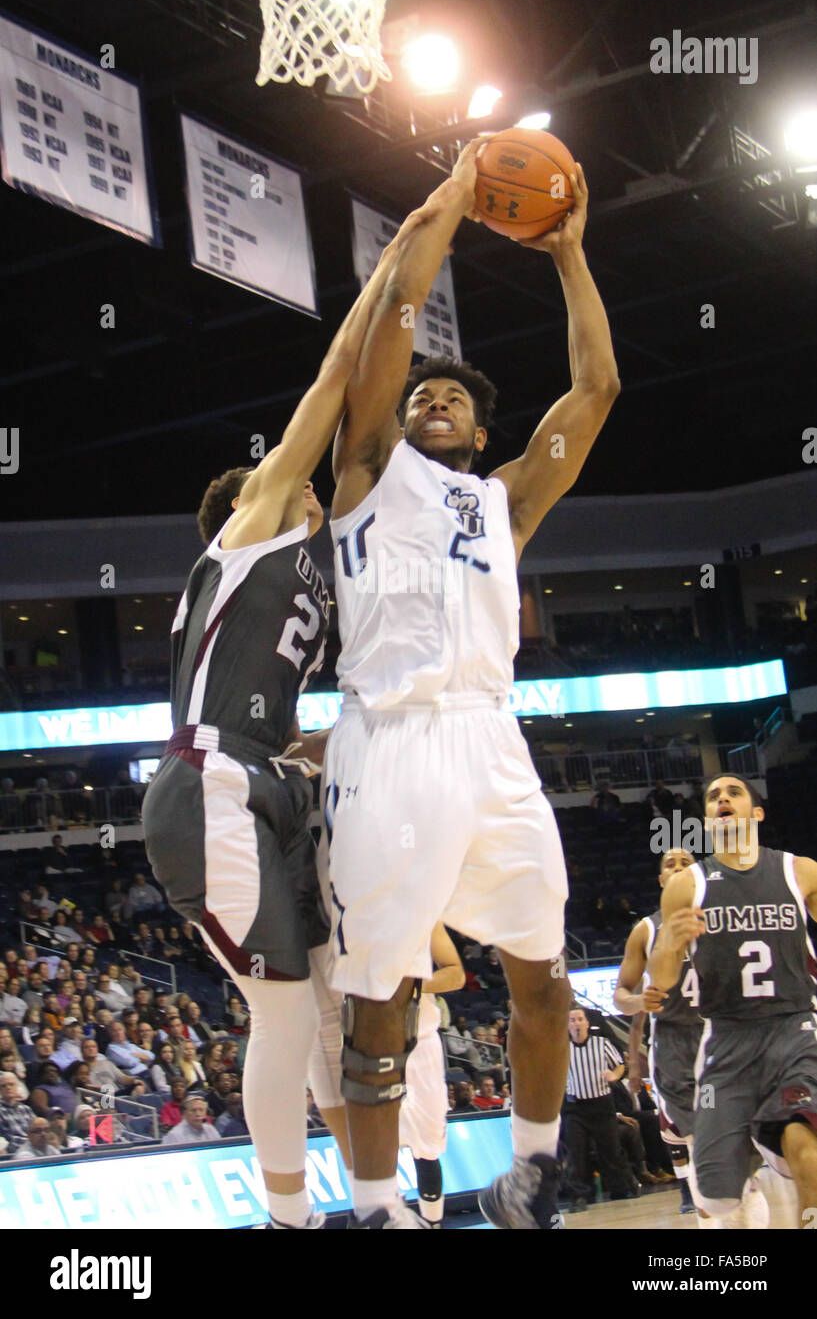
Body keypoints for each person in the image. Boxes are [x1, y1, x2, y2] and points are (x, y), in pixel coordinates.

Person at [324, 144, 619, 1230]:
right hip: (388, 739)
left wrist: (570, 253)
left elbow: (595, 390)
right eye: (425, 392)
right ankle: (371, 1207)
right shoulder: (364, 465)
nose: (434, 397)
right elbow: (395, 307)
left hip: (492, 741)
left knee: (542, 977)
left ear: (484, 433)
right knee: (378, 1001)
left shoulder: (503, 503)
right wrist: (451, 203)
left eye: (455, 396)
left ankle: (532, 1177)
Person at [141, 230, 414, 1233]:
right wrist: (389, 285)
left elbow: (282, 716)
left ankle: (378, 1201)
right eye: (306, 480)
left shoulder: (312, 566)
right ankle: (286, 1219)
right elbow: (338, 379)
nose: (314, 484)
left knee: (327, 1013)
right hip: (210, 785)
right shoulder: (253, 524)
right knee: (286, 1010)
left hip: (263, 780)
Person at [649, 773, 817, 1229]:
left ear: (756, 813)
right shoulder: (687, 885)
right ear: (707, 819)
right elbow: (662, 981)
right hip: (726, 1037)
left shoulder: (799, 871)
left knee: (805, 1143)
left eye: (734, 792)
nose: (722, 799)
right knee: (721, 1190)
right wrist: (668, 947)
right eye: (713, 796)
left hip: (794, 1029)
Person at [615, 847, 707, 1216]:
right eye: (671, 864)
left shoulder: (719, 918)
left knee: (727, 1133)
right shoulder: (646, 929)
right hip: (673, 1041)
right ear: (660, 880)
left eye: (686, 863)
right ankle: (702, 1203)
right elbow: (622, 995)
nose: (679, 868)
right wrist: (639, 1003)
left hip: (722, 1034)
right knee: (693, 1135)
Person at [398, 924, 464, 1228]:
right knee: (372, 1145)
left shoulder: (424, 910)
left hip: (421, 1042)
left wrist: (414, 985)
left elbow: (456, 974)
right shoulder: (348, 901)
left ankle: (432, 1223)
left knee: (427, 1145)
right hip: (368, 1041)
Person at [562, 1006, 635, 1212]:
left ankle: (620, 1189)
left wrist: (615, 1075)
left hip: (601, 1104)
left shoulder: (601, 1043)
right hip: (575, 1107)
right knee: (576, 1152)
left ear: (587, 1023)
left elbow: (620, 1064)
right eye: (572, 1020)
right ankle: (580, 1195)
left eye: (579, 1019)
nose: (576, 1023)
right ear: (567, 1025)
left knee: (611, 1149)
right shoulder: (562, 1048)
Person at [0, 1073, 35, 1154]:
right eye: (3, 1086)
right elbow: (7, 1139)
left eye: (11, 1084)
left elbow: (36, 1130)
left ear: (17, 1087)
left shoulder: (26, 1109)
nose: (8, 1087)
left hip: (33, 1149)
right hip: (13, 1153)